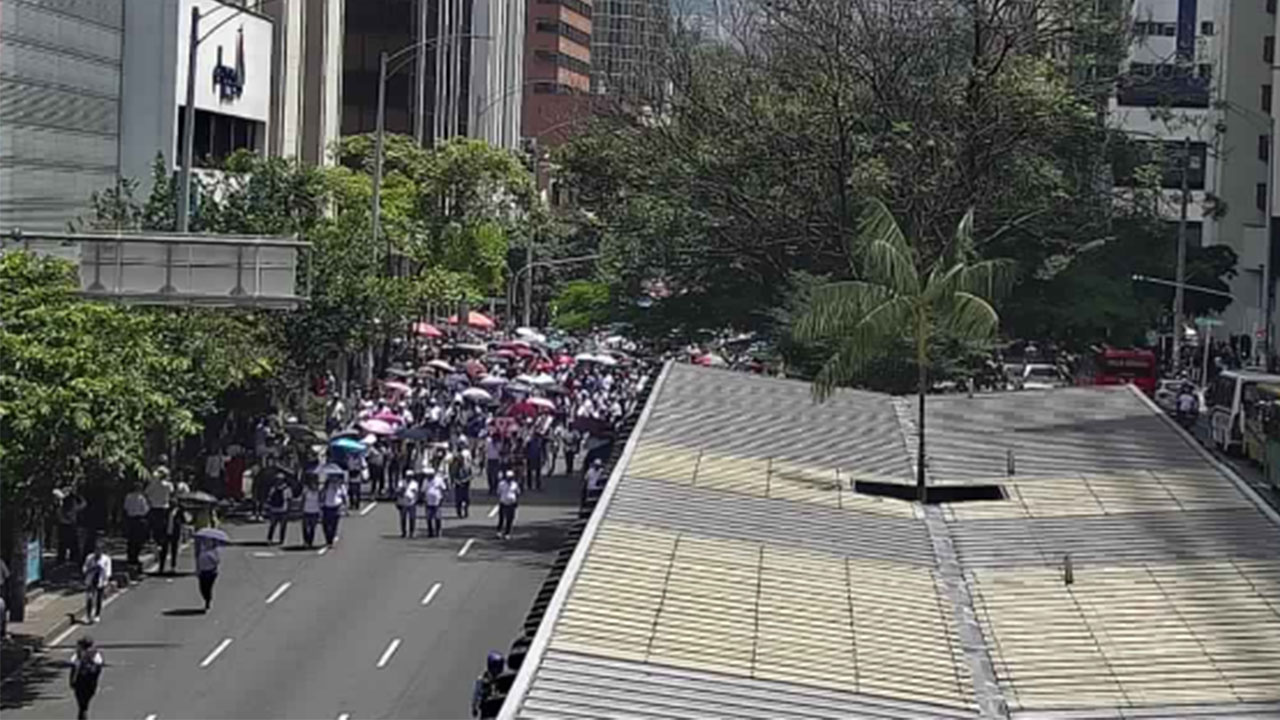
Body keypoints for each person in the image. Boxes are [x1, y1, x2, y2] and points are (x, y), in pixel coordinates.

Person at [69, 636, 104, 720]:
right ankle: (83, 712)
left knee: (81, 700)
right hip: (91, 682)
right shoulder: (95, 654)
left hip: (79, 681)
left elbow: (73, 667)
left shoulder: (78, 654)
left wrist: (71, 681)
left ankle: (82, 712)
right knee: (86, 700)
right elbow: (98, 668)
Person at [145, 468, 174, 552]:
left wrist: (149, 501)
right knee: (163, 525)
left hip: (154, 506)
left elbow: (146, 493)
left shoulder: (153, 484)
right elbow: (172, 493)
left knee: (154, 525)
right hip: (164, 507)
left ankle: (155, 540)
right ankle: (161, 542)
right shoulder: (169, 485)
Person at [82, 544, 111, 624]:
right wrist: (92, 568)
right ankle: (88, 615)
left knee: (99, 598)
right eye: (96, 551)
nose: (97, 553)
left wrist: (106, 579)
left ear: (102, 551)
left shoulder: (106, 559)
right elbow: (84, 569)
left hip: (100, 581)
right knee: (89, 598)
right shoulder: (89, 558)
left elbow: (108, 572)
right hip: (90, 580)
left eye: (99, 551)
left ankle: (97, 615)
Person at [472, 651, 506, 719]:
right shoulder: (482, 680)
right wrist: (474, 707)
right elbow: (477, 694)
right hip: (487, 707)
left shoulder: (501, 678)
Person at [122, 484, 150, 565]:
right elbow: (145, 510)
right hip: (139, 519)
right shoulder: (141, 498)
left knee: (131, 540)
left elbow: (126, 507)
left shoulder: (128, 496)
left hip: (130, 519)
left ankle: (130, 557)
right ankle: (135, 557)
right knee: (139, 540)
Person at [56, 490, 85, 566]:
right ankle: (74, 558)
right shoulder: (73, 509)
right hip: (71, 527)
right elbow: (84, 504)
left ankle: (61, 559)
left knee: (62, 544)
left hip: (62, 527)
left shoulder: (60, 509)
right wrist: (78, 496)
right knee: (73, 543)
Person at [156, 504, 186, 575]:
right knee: (164, 550)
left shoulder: (179, 511)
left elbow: (184, 520)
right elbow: (162, 521)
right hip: (166, 532)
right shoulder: (166, 510)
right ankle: (161, 567)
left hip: (175, 533)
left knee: (174, 550)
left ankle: (173, 567)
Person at [195, 535, 221, 612]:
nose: (207, 542)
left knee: (208, 587)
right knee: (202, 588)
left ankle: (208, 601)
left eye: (209, 541)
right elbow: (198, 560)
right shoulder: (201, 549)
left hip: (211, 572)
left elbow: (217, 561)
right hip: (202, 571)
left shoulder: (214, 551)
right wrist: (197, 569)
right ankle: (206, 597)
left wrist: (211, 557)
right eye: (206, 541)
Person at [320, 473, 347, 547]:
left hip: (336, 506)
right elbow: (322, 495)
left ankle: (331, 540)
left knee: (334, 524)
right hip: (327, 507)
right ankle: (328, 538)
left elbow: (344, 496)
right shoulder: (326, 486)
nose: (334, 479)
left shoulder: (340, 486)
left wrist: (344, 507)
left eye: (336, 478)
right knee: (325, 524)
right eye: (332, 478)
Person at [265, 477, 293, 546]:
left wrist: (268, 508)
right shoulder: (287, 489)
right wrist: (288, 510)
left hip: (274, 510)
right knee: (282, 526)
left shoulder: (273, 488)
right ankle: (281, 540)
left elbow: (269, 499)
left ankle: (270, 539)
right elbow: (289, 500)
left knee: (273, 525)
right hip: (283, 510)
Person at [496, 471, 520, 540]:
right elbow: (499, 492)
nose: (509, 479)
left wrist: (516, 501)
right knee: (501, 518)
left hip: (511, 504)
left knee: (510, 519)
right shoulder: (501, 484)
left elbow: (517, 493)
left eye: (511, 478)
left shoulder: (515, 484)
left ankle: (507, 533)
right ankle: (499, 531)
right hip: (503, 503)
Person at [300, 476, 322, 548]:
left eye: (315, 484)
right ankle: (305, 541)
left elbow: (320, 501)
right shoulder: (306, 491)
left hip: (315, 511)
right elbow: (302, 501)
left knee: (312, 528)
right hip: (306, 511)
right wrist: (301, 509)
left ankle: (310, 542)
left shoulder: (318, 492)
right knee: (305, 528)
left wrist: (320, 512)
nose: (314, 485)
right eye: (312, 483)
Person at [396, 472, 420, 539]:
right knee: (403, 518)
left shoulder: (415, 483)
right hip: (403, 502)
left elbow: (416, 493)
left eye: (410, 476)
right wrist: (403, 489)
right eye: (408, 476)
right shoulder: (401, 482)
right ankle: (403, 532)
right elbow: (398, 492)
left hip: (412, 503)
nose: (409, 478)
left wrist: (415, 500)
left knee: (412, 518)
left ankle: (412, 532)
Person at [422, 469, 446, 538]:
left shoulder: (439, 480)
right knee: (429, 517)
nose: (428, 476)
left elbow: (444, 488)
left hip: (437, 501)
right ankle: (430, 532)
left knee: (437, 517)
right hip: (428, 501)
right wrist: (424, 499)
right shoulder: (425, 481)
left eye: (430, 475)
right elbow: (423, 490)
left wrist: (442, 498)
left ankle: (438, 531)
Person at [451, 449, 472, 518]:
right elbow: (453, 476)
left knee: (466, 499)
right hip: (458, 485)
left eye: (461, 459)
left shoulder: (467, 466)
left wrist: (466, 480)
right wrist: (457, 482)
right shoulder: (455, 467)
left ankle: (466, 511)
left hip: (465, 485)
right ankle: (459, 512)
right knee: (458, 500)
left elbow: (470, 475)